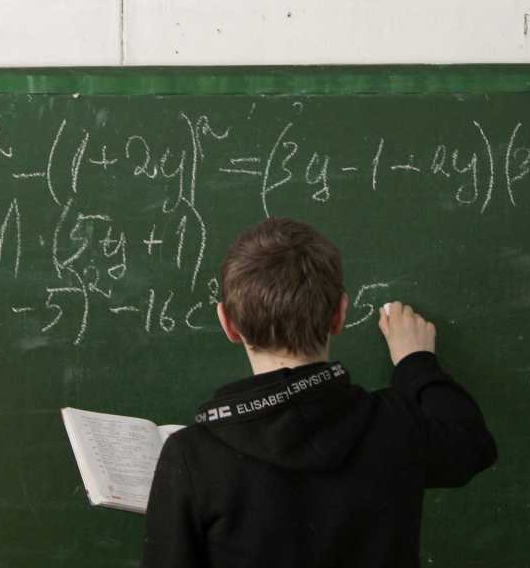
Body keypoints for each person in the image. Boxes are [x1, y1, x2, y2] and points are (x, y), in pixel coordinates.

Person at [140, 217, 497, 568]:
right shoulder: (394, 425)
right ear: (339, 315)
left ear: (229, 324)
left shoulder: (192, 456)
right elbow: (471, 443)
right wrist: (415, 362)